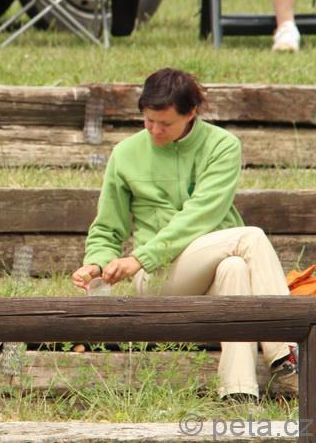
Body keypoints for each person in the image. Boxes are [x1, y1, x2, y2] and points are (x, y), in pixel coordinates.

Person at [71, 68, 299, 403]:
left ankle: (238, 393)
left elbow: (201, 214)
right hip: (157, 276)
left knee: (235, 268)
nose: (154, 130)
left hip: (209, 269)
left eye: (165, 123)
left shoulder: (222, 146)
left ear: (191, 113)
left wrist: (138, 257)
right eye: (149, 121)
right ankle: (288, 351)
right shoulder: (125, 154)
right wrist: (97, 263)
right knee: (249, 237)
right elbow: (107, 227)